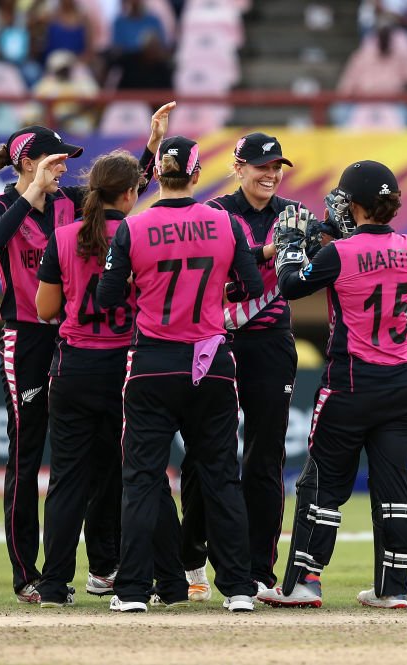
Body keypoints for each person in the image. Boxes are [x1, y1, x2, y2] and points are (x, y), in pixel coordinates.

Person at [0, 104, 170, 604]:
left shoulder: (70, 202)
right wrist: (32, 190)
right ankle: (27, 571)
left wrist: (150, 146)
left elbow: (121, 191)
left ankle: (104, 563)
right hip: (25, 335)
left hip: (72, 338)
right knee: (26, 453)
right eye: (53, 160)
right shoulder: (0, 208)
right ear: (26, 163)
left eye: (62, 162)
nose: (62, 168)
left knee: (104, 455)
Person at [97, 135, 264, 613]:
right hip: (211, 362)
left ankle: (131, 592)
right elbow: (249, 288)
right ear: (195, 175)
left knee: (143, 480)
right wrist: (215, 290)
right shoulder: (226, 223)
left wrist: (139, 286)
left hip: (152, 362)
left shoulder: (133, 227)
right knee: (220, 478)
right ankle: (237, 589)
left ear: (160, 175)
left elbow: (108, 298)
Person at [257, 161, 407, 609]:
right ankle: (394, 590)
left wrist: (293, 244)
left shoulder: (340, 253)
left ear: (355, 204)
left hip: (351, 381)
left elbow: (292, 286)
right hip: (404, 382)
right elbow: (367, 255)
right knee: (394, 487)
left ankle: (302, 583)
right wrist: (331, 237)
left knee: (321, 485)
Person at [176, 132, 313, 602]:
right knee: (204, 454)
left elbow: (310, 274)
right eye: (261, 166)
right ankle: (191, 557)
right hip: (216, 340)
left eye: (277, 166)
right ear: (238, 167)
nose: (271, 174)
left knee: (265, 456)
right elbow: (216, 270)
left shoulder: (296, 216)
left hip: (271, 342)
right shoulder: (214, 214)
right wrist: (268, 254)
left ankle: (259, 570)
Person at [32, 150, 143, 608]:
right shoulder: (141, 235)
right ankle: (127, 574)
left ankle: (55, 584)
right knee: (132, 475)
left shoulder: (62, 236)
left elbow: (44, 310)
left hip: (74, 365)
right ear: (131, 193)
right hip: (127, 367)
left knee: (67, 481)